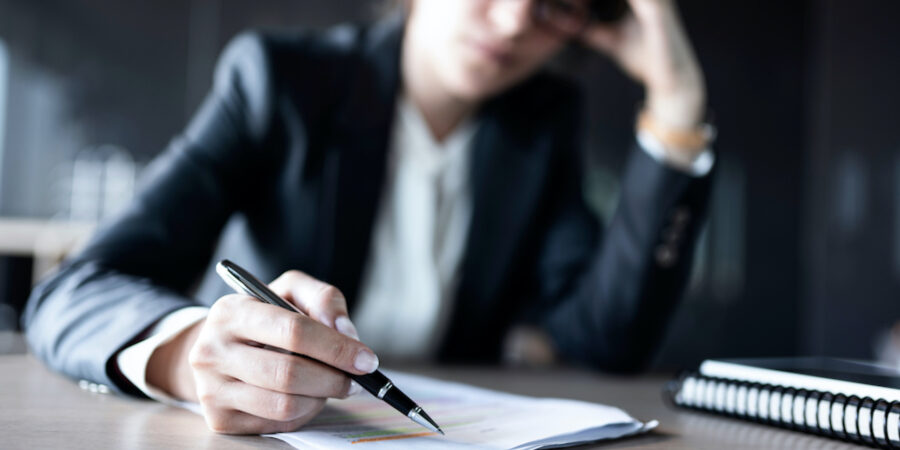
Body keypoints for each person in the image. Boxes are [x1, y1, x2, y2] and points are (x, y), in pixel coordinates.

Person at [24, 0, 714, 435]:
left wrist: (678, 100)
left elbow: (606, 339)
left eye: (554, 4)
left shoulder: (540, 124)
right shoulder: (280, 82)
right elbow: (74, 291)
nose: (512, 19)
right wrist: (183, 352)